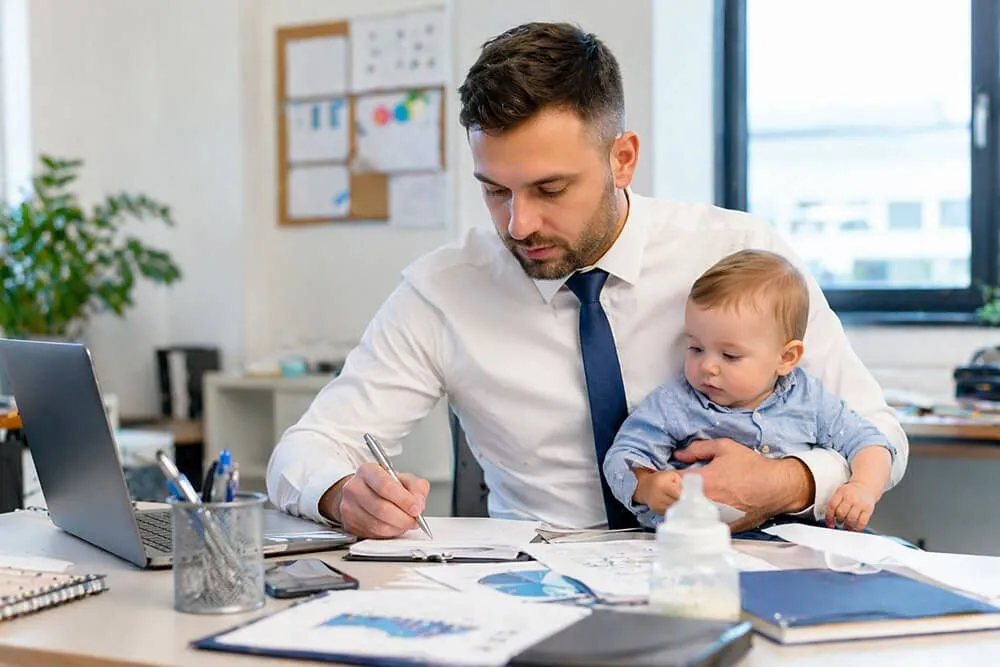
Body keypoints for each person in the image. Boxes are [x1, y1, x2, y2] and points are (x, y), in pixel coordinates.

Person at [265, 21, 907, 539]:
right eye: (494, 191)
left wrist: (787, 481)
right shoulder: (442, 291)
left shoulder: (742, 254)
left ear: (621, 158)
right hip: (541, 584)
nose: (518, 224)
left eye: (550, 188)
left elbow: (882, 435)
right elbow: (305, 450)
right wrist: (341, 493)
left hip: (746, 565)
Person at [604, 249, 896, 533]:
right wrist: (646, 486)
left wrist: (863, 488)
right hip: (702, 542)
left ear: (785, 358)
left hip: (801, 538)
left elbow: (869, 442)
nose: (708, 366)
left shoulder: (809, 398)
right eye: (696, 348)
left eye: (729, 356)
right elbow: (623, 455)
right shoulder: (675, 403)